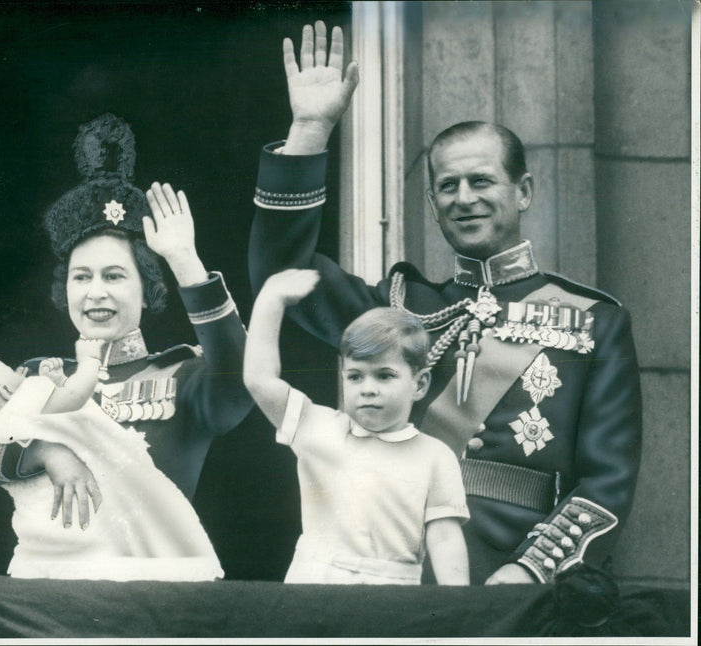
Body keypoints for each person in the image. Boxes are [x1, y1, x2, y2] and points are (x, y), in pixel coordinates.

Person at [248, 22, 642, 585]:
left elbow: (608, 481)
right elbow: (281, 277)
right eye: (448, 187)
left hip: (517, 579)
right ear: (432, 202)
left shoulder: (594, 319)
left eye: (481, 182)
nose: (464, 199)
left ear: (522, 191)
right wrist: (310, 130)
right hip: (391, 565)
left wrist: (530, 571)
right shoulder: (400, 305)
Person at [0, 113, 254, 574]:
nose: (95, 292)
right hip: (51, 588)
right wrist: (45, 450)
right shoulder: (38, 378)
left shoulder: (184, 377)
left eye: (115, 276)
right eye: (82, 277)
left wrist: (185, 261)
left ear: (148, 290)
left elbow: (241, 384)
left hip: (153, 591)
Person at [244, 268, 469, 585]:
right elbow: (259, 380)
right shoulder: (319, 428)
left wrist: (459, 613)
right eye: (355, 376)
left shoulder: (435, 456)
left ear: (419, 384)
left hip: (393, 596)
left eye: (384, 375)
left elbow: (445, 537)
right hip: (314, 589)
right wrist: (271, 299)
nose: (368, 388)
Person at [0, 340, 224, 581]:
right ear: (6, 392)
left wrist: (56, 382)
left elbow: (55, 407)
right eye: (10, 371)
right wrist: (89, 361)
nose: (20, 371)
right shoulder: (24, 396)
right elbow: (74, 398)